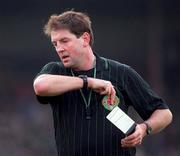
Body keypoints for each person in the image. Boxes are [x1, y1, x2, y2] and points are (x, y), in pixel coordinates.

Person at [33, 10, 173, 156]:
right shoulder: (56, 70)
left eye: (64, 41)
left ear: (85, 39)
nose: (59, 49)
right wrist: (87, 82)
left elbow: (164, 113)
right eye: (55, 44)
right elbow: (40, 86)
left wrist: (144, 128)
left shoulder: (121, 72)